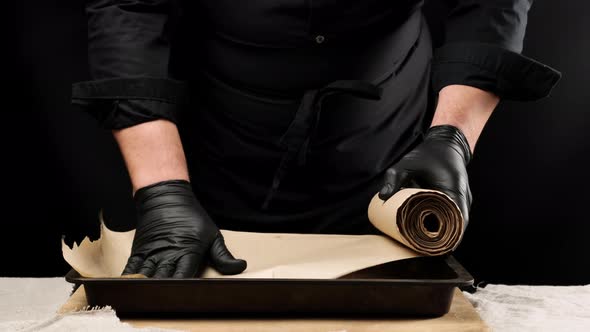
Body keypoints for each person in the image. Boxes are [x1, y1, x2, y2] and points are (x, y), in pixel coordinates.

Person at [72, 0, 560, 278]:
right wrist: (163, 190)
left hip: (387, 145)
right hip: (207, 144)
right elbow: (127, 8)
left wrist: (451, 137)